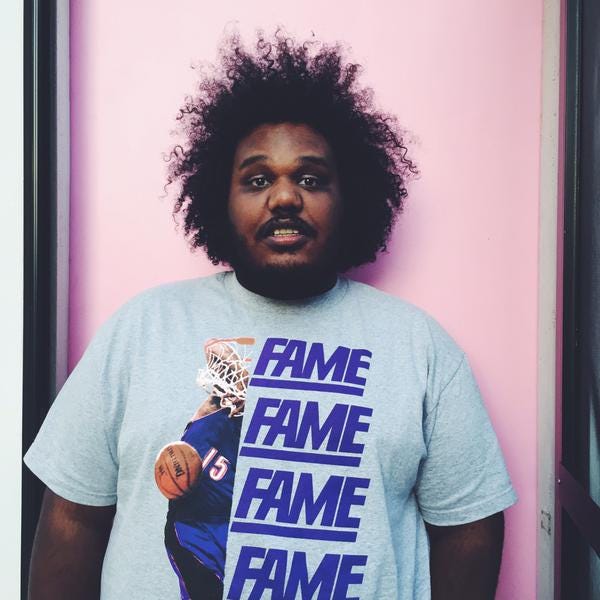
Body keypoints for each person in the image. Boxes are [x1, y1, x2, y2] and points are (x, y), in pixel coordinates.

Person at [25, 30, 517, 600]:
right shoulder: (141, 329)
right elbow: (72, 517)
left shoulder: (420, 347)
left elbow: (469, 529)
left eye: (311, 178)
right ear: (221, 200)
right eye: (257, 180)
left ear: (350, 197)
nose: (284, 198)